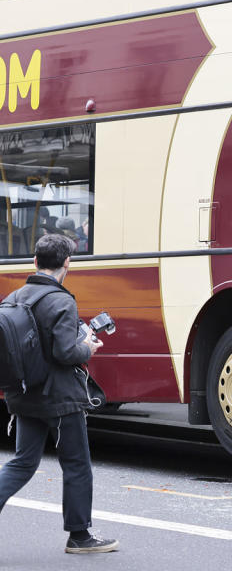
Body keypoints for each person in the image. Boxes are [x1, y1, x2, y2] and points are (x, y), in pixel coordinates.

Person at [0, 234, 118, 554]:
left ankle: (79, 535)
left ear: (35, 262)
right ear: (67, 263)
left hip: (24, 395)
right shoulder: (61, 300)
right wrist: (88, 347)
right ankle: (79, 537)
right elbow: (67, 352)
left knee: (23, 462)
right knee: (77, 464)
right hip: (61, 399)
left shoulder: (15, 297)